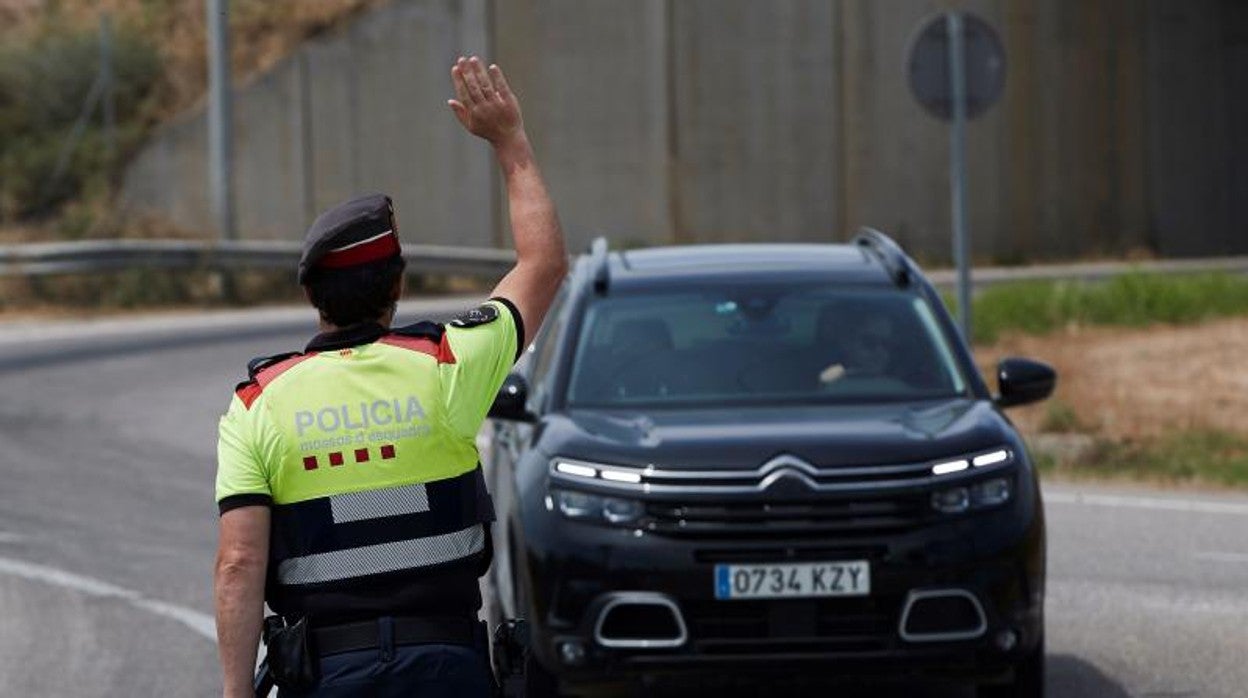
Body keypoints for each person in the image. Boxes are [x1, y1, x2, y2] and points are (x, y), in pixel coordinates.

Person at [212, 56, 566, 697]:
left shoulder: (258, 405)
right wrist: (509, 141)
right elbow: (542, 265)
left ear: (313, 297)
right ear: (397, 284)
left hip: (327, 676)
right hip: (447, 669)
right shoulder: (446, 367)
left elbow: (239, 563)